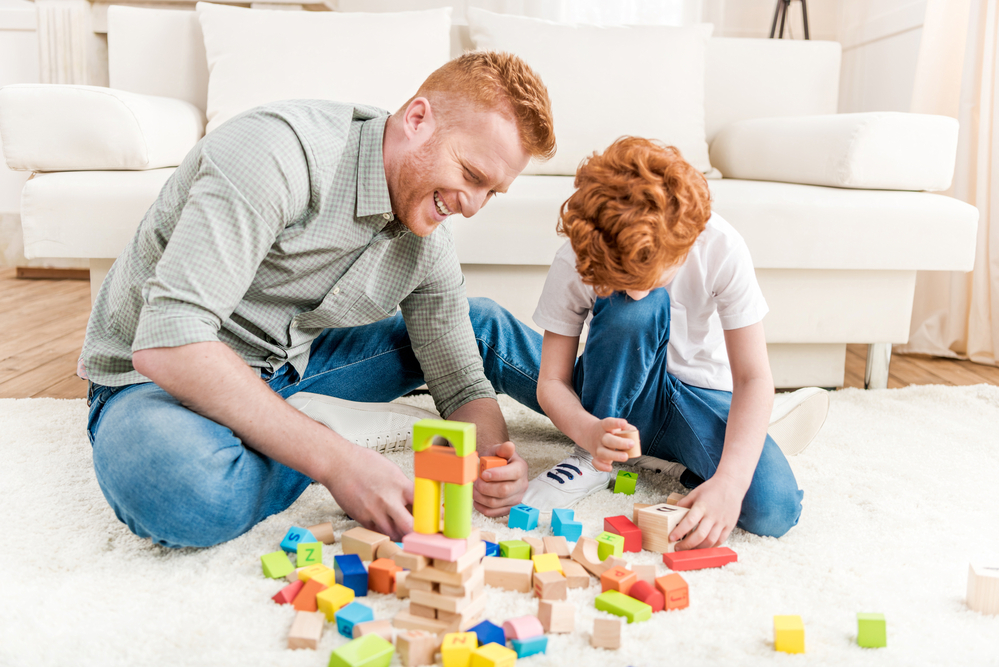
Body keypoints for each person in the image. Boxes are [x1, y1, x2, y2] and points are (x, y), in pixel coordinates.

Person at [81, 51, 554, 547]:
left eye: (492, 193)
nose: (474, 207)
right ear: (417, 120)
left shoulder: (428, 239)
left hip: (292, 366)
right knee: (190, 492)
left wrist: (494, 458)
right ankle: (320, 430)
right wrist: (338, 462)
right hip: (151, 380)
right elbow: (169, 345)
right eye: (472, 175)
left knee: (482, 330)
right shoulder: (276, 153)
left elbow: (460, 383)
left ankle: (636, 417)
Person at [522, 137, 829, 550]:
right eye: (616, 284)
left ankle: (674, 453)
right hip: (613, 390)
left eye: (642, 280)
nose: (630, 293)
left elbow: (754, 377)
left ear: (687, 244)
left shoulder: (720, 246)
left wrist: (731, 482)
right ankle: (594, 461)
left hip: (698, 396)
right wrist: (590, 432)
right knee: (634, 312)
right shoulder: (580, 255)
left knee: (772, 510)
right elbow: (552, 381)